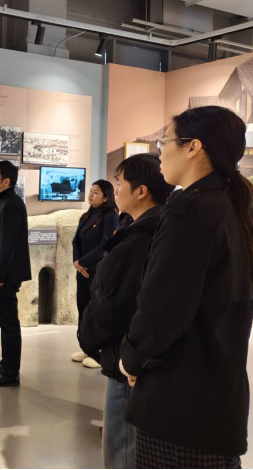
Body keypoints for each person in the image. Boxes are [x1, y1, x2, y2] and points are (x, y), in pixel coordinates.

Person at [120, 106, 253, 469]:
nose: (160, 151)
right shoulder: (233, 204)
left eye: (165, 141)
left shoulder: (190, 209)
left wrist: (132, 357)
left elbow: (163, 303)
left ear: (193, 147)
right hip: (218, 391)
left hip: (180, 397)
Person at [79, 154, 175, 469]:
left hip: (126, 356)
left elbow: (117, 302)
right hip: (133, 354)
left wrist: (90, 339)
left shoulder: (143, 237)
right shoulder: (157, 227)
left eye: (119, 183)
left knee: (122, 448)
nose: (116, 189)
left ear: (141, 191)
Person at [0, 161, 32, 387]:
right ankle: (6, 364)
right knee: (5, 322)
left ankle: (11, 372)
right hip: (2, 275)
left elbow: (7, 245)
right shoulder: (7, 201)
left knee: (9, 324)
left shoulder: (12, 204)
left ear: (6, 181)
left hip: (5, 277)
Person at [71, 180, 119, 369]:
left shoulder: (111, 217)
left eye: (96, 192)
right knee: (83, 309)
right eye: (90, 191)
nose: (91, 195)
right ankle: (86, 347)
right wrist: (77, 262)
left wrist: (82, 262)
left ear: (106, 197)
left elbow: (104, 246)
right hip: (82, 271)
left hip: (97, 271)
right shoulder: (87, 215)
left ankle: (98, 353)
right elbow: (75, 241)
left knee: (96, 312)